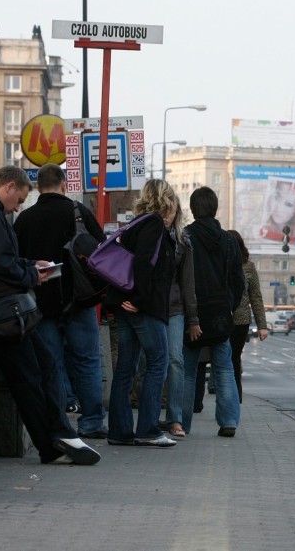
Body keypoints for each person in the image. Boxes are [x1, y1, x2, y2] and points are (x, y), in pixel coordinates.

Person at [0, 165, 100, 465]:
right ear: (9, 186)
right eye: (18, 200)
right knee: (32, 375)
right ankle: (53, 441)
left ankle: (56, 437)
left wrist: (31, 264)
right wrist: (31, 273)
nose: (17, 207)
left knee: (41, 368)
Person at [13, 163, 108, 439]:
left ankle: (58, 424)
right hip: (80, 300)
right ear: (64, 184)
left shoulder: (25, 220)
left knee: (51, 363)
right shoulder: (79, 213)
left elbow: (15, 259)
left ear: (38, 186)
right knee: (88, 360)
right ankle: (91, 421)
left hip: (41, 303)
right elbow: (102, 253)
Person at [104, 179, 177, 448]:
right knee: (158, 363)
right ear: (165, 198)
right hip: (142, 306)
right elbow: (145, 263)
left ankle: (119, 431)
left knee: (126, 367)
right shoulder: (154, 224)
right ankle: (147, 429)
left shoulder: (135, 225)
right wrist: (140, 299)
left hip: (124, 303)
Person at [181, 186, 245, 437]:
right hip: (221, 314)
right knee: (224, 368)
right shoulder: (229, 240)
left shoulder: (185, 237)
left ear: (193, 209)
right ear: (215, 208)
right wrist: (229, 305)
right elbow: (238, 280)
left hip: (192, 314)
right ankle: (228, 421)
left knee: (187, 371)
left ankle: (182, 424)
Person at [161, 194, 200, 438]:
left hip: (175, 309)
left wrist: (193, 318)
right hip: (150, 308)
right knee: (150, 364)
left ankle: (174, 419)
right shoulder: (149, 236)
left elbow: (188, 283)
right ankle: (151, 414)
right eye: (163, 211)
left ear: (177, 213)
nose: (166, 216)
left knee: (176, 361)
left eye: (171, 211)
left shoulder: (183, 242)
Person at [227, 230, 268, 403]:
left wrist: (262, 325)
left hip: (241, 320)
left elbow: (255, 296)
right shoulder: (220, 263)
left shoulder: (249, 267)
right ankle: (227, 396)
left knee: (233, 359)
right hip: (220, 319)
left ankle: (235, 397)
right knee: (223, 359)